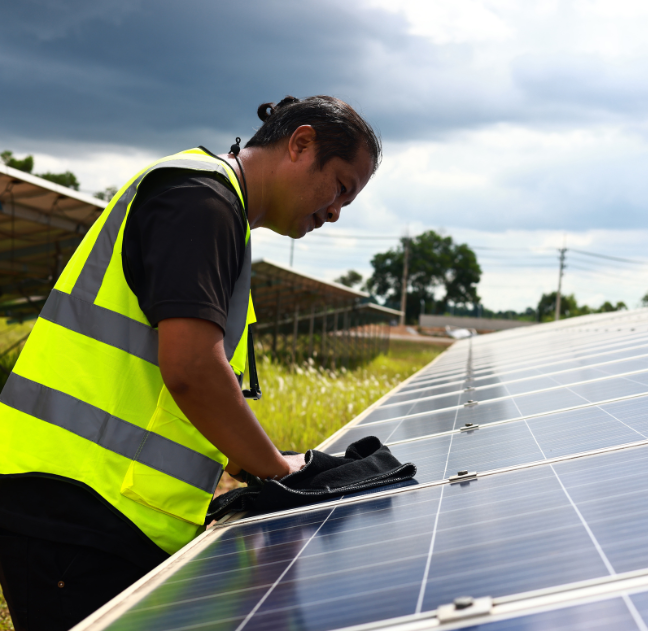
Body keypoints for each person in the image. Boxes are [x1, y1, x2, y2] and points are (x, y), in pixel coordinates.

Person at [0, 95, 381, 630]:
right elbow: (192, 370)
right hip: (77, 507)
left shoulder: (217, 214)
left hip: (98, 510)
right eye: (340, 186)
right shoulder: (200, 201)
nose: (337, 210)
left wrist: (260, 461)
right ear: (301, 143)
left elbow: (182, 395)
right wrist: (278, 472)